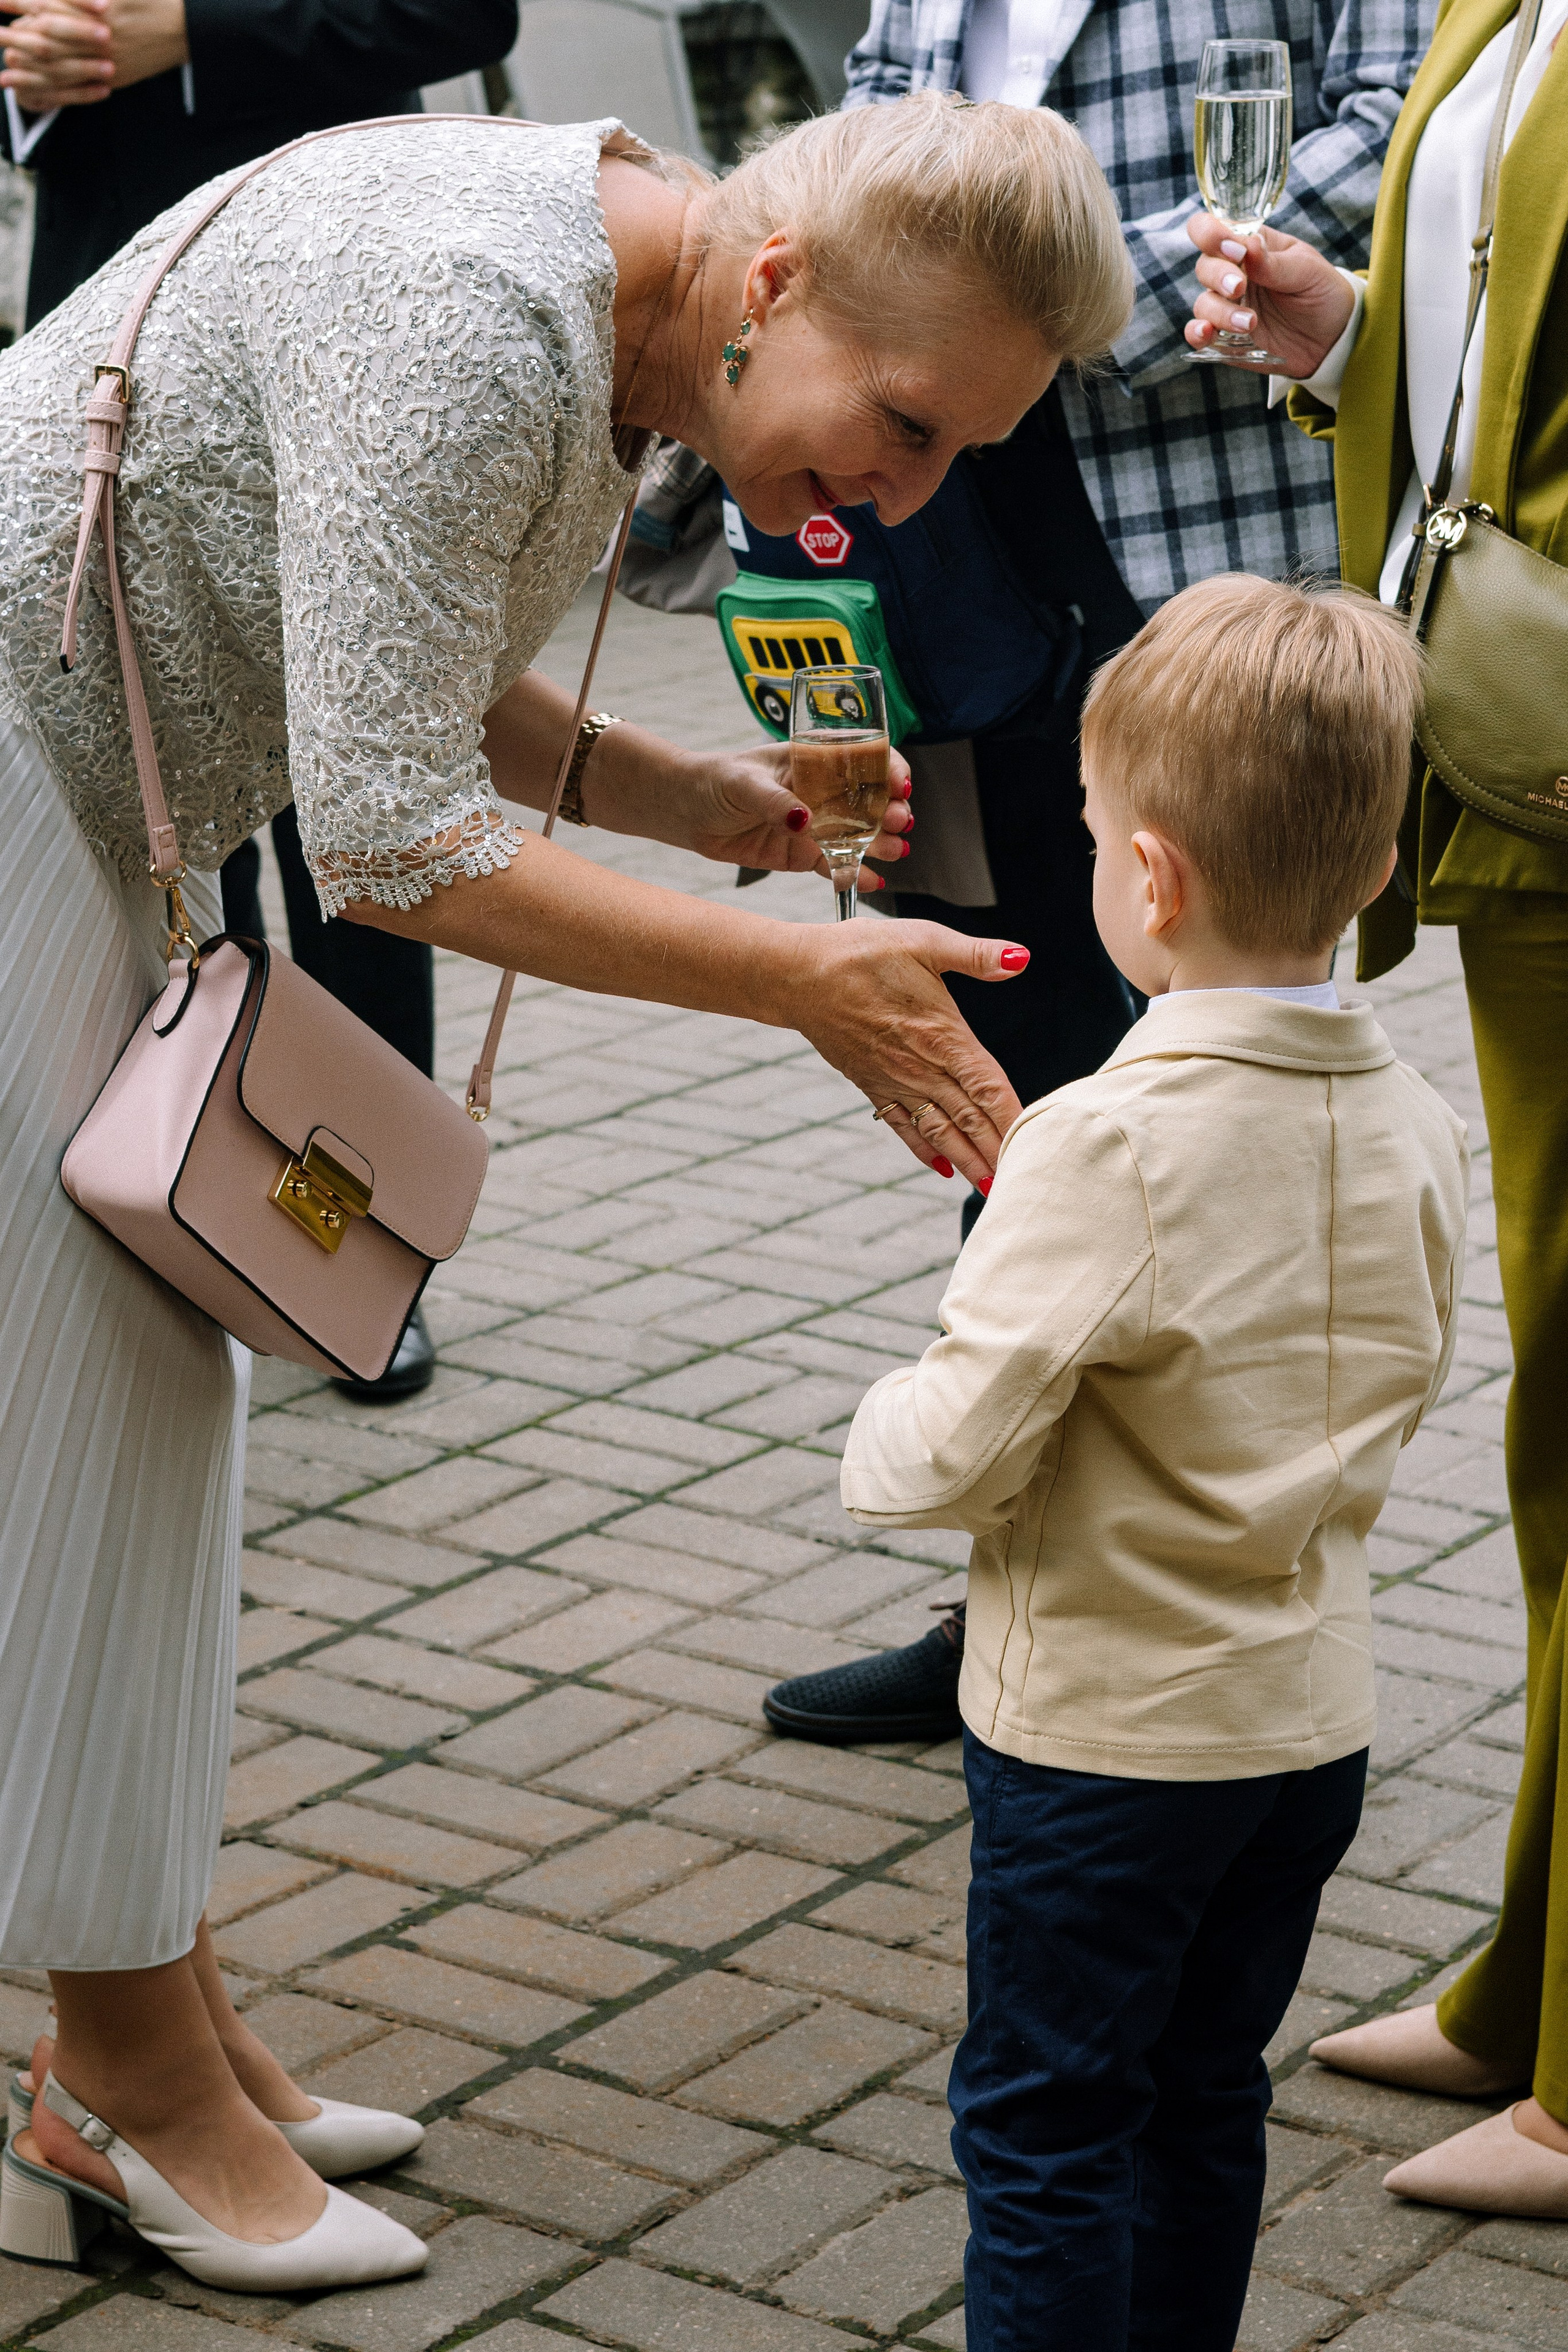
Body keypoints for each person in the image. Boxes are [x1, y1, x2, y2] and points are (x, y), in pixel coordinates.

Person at [0, 93, 1133, 2289]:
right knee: (94, 1440)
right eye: (904, 423)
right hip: (24, 790)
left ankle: (158, 2019)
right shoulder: (467, 315)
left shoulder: (611, 280)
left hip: (81, 789)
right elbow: (397, 839)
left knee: (151, 1428)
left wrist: (697, 807)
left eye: (957, 458)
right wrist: (816, 990)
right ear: (779, 277)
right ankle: (120, 2076)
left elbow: (381, 631)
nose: (905, 495)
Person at [762, 0, 1436, 1746]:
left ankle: (1222, 1578)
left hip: (1187, 563)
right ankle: (1024, 1580)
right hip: (941, 570)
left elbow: (1402, 131)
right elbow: (865, 160)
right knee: (1003, 1062)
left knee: (1223, 1083)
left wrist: (1042, 312)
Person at [840, 573, 1469, 2352]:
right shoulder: (1418, 1125)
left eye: (1099, 831)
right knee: (1207, 2095)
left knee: (1044, 2124)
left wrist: (870, 1426)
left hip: (1106, 1749)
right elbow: (1406, 1372)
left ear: (1155, 877)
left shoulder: (1100, 1142)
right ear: (1369, 868)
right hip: (1304, 1731)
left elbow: (942, 1457)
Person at [1185, 0, 1568, 2225]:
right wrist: (1341, 339)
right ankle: (1538, 1974)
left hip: (1549, 751)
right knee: (1556, 1432)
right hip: (1509, 761)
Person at [0, 0, 521, 1400]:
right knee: (135, 818)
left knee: (346, 822)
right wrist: (26, 75)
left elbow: (464, 9)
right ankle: (157, 1200)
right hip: (110, 308)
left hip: (346, 319)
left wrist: (191, 34)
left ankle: (346, 1246)